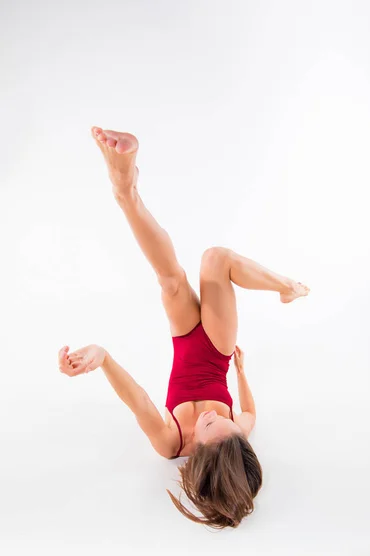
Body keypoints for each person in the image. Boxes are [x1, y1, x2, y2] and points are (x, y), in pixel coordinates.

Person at [58, 127, 310, 529]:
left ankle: (125, 191)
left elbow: (138, 400)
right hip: (215, 347)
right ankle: (286, 287)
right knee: (215, 258)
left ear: (202, 456)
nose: (215, 420)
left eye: (210, 431)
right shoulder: (238, 432)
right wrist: (241, 373)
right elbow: (250, 411)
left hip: (183, 340)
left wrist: (102, 358)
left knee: (171, 280)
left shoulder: (170, 443)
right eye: (227, 428)